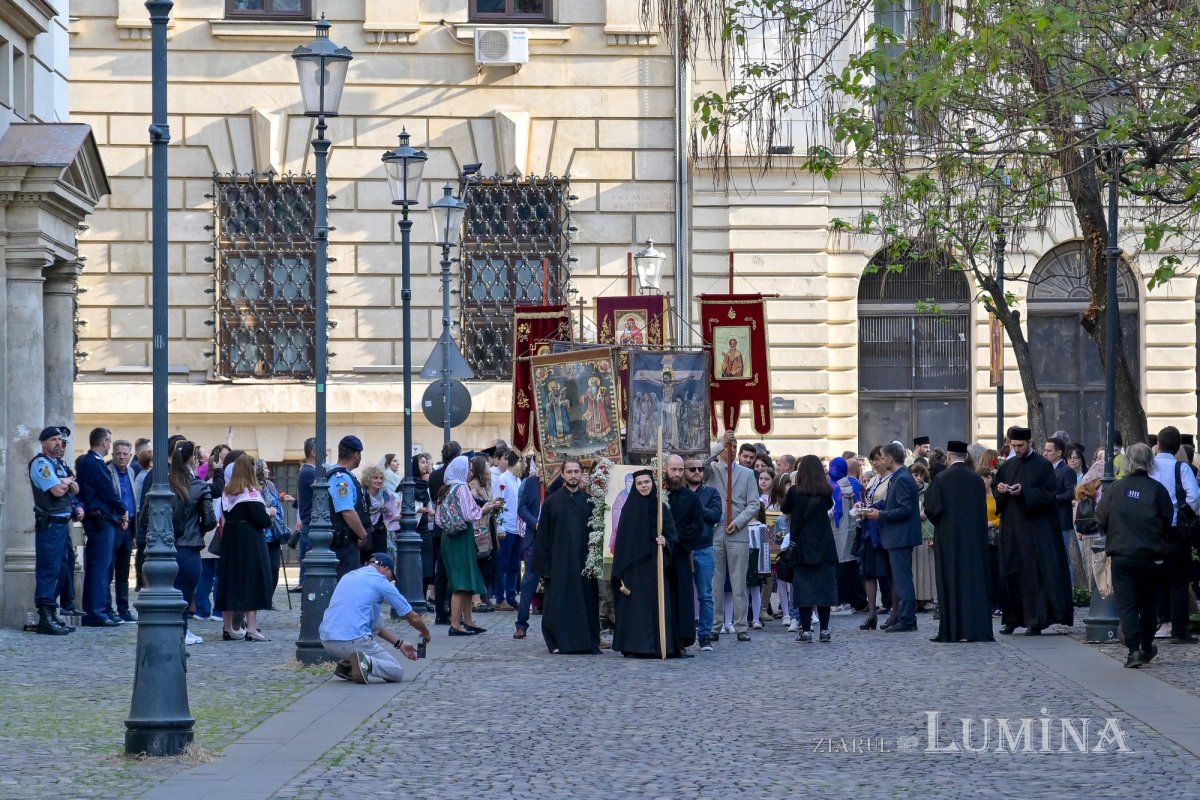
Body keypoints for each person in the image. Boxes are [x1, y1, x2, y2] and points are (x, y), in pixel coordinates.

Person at [1097, 444, 1173, 668]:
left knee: (1127, 605)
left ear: (1128, 461)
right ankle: (1147, 645)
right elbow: (1167, 519)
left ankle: (1133, 650)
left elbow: (1100, 518)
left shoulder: (1115, 489)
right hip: (1150, 555)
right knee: (1148, 603)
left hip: (1121, 554)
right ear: (1150, 462)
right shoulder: (1157, 490)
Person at [993, 426, 1074, 635]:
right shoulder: (1008, 465)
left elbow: (1049, 495)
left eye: (1020, 445)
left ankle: (1035, 621)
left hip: (1034, 531)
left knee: (1032, 575)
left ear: (1029, 443)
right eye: (1013, 445)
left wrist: (1025, 492)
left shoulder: (1043, 466)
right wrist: (1001, 490)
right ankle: (1011, 619)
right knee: (1010, 572)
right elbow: (996, 489)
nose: (1017, 449)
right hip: (1011, 529)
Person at [321, 554, 432, 683]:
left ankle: (348, 666)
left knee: (373, 621)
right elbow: (412, 617)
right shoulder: (381, 582)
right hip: (351, 641)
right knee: (396, 671)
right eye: (391, 577)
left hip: (327, 641)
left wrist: (399, 644)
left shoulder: (349, 576)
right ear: (386, 569)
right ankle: (365, 662)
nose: (390, 581)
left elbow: (376, 626)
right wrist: (425, 633)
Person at [924, 441, 995, 643]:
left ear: (948, 456)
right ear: (966, 456)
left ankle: (952, 630)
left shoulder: (942, 478)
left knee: (951, 582)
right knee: (974, 582)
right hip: (974, 541)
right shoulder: (975, 479)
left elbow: (931, 508)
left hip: (949, 540)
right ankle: (976, 629)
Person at [532, 459, 601, 655]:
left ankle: (587, 641)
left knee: (585, 603)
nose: (573, 475)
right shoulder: (552, 502)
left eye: (576, 471)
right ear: (562, 474)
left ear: (581, 474)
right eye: (569, 471)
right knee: (558, 604)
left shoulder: (589, 503)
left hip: (583, 564)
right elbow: (543, 536)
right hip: (559, 564)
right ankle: (557, 641)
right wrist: (544, 568)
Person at [611, 470, 678, 657]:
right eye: (639, 483)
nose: (644, 486)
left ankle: (657, 646)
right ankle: (635, 646)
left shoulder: (660, 508)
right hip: (634, 569)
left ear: (652, 483)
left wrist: (665, 542)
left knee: (655, 606)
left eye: (647, 482)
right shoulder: (628, 509)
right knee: (636, 608)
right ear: (635, 486)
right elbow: (623, 541)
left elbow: (672, 536)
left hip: (655, 565)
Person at [705, 430, 762, 642]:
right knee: (715, 582)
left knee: (739, 582)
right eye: (729, 446)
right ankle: (715, 625)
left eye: (734, 447)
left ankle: (740, 626)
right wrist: (720, 445)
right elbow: (700, 463)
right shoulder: (711, 470)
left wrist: (738, 522)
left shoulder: (747, 474)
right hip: (715, 529)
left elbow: (754, 504)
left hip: (737, 531)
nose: (732, 450)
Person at [1148, 426, 1200, 643]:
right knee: (1178, 582)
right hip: (1177, 531)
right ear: (1178, 446)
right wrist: (1183, 513)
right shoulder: (1182, 468)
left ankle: (1164, 623)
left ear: (1158, 444)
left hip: (1153, 530)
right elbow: (1194, 498)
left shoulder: (1149, 467)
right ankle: (1179, 630)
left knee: (1158, 580)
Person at [436, 455, 498, 636]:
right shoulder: (462, 487)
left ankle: (468, 621)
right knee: (462, 581)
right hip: (461, 536)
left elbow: (439, 519)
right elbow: (470, 514)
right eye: (468, 469)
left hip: (450, 536)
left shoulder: (447, 489)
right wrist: (485, 509)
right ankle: (456, 624)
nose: (471, 472)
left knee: (468, 578)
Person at [216, 454, 275, 642]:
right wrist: (269, 512)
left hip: (231, 540)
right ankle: (251, 627)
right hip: (250, 541)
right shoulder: (250, 492)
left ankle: (228, 628)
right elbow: (262, 520)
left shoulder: (227, 491)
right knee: (253, 580)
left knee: (229, 580)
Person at [863, 442, 921, 633]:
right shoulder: (899, 477)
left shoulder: (902, 478)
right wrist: (876, 509)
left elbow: (905, 509)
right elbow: (892, 504)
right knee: (900, 578)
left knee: (902, 579)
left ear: (889, 459)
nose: (880, 460)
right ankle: (905, 617)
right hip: (897, 536)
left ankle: (906, 619)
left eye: (882, 456)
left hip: (900, 536)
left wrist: (881, 515)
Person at [76, 427, 129, 628]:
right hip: (100, 520)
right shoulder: (93, 463)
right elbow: (107, 491)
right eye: (109, 442)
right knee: (100, 568)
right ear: (105, 442)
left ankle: (98, 610)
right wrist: (122, 509)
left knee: (102, 567)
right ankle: (96, 612)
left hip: (104, 520)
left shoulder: (92, 462)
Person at [29, 426, 80, 635]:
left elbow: (75, 487)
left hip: (62, 524)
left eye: (60, 439)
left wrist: (66, 481)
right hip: (49, 525)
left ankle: (53, 613)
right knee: (49, 570)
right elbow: (58, 490)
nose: (58, 443)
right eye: (53, 439)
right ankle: (45, 616)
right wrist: (66, 482)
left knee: (62, 570)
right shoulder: (41, 464)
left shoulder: (58, 464)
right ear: (43, 443)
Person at [781, 455, 836, 643]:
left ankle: (805, 631)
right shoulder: (826, 491)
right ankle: (825, 630)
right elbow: (828, 506)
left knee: (803, 589)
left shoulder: (795, 492)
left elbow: (784, 508)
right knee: (824, 589)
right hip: (824, 545)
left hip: (802, 544)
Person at [169, 441, 216, 646]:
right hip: (188, 547)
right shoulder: (199, 486)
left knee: (167, 595)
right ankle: (182, 633)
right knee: (185, 596)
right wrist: (199, 531)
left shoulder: (163, 483)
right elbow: (210, 520)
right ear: (194, 460)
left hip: (164, 548)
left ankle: (170, 633)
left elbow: (145, 518)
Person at [665, 455, 702, 653]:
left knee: (681, 596)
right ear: (665, 470)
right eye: (674, 470)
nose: (677, 474)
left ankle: (681, 639)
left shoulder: (691, 498)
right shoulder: (657, 496)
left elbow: (696, 526)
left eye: (680, 470)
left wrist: (674, 539)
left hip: (679, 554)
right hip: (658, 554)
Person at [684, 456, 722, 651]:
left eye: (700, 469)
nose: (697, 472)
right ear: (684, 472)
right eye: (692, 469)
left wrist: (694, 506)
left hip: (704, 548)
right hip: (683, 550)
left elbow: (715, 515)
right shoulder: (678, 493)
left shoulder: (711, 493)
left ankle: (705, 635)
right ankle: (682, 635)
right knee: (682, 593)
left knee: (706, 594)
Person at [857, 446, 892, 630]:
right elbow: (868, 502)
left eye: (878, 459)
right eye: (873, 460)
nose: (876, 463)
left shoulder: (891, 480)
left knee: (888, 574)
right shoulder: (873, 481)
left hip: (884, 531)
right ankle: (871, 613)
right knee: (869, 574)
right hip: (869, 531)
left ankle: (895, 612)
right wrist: (861, 506)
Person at [327, 435, 372, 578]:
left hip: (347, 540)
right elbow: (347, 511)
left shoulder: (346, 476)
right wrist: (362, 535)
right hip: (344, 542)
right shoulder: (341, 478)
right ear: (356, 455)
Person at [428, 441, 462, 625]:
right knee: (453, 570)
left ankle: (440, 611)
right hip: (453, 526)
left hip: (439, 526)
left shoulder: (434, 475)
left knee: (441, 571)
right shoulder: (454, 475)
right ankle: (452, 609)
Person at [106, 439, 139, 623]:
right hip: (114, 524)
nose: (121, 457)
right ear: (113, 454)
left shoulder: (132, 472)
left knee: (123, 572)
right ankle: (108, 607)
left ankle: (123, 608)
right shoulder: (107, 471)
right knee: (108, 569)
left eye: (125, 454)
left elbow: (133, 500)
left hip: (129, 527)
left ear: (130, 456)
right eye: (118, 453)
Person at [827, 456, 865, 613]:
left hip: (836, 529)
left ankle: (844, 600)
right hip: (852, 528)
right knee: (852, 565)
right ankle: (858, 600)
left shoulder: (830, 486)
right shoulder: (854, 484)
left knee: (840, 566)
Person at [1044, 436, 1079, 588]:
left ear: (1059, 453)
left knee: (1062, 557)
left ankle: (1067, 589)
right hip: (1046, 519)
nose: (1045, 453)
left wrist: (1052, 498)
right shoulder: (1045, 469)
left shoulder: (1067, 471)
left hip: (1061, 520)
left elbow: (1071, 493)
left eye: (1049, 451)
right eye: (1044, 450)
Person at [514, 457, 543, 639]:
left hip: (554, 539)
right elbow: (521, 508)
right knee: (529, 582)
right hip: (534, 537)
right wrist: (535, 524)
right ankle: (521, 624)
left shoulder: (559, 483)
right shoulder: (530, 483)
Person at [494, 450, 522, 610]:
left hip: (517, 527)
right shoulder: (502, 479)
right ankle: (499, 597)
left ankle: (511, 596)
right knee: (503, 564)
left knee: (514, 564)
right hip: (507, 527)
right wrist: (500, 526)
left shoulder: (517, 480)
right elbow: (499, 504)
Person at [909, 462, 937, 613]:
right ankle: (915, 599)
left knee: (927, 567)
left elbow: (929, 509)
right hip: (913, 532)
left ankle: (927, 598)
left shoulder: (928, 489)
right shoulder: (908, 489)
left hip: (927, 531)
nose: (918, 478)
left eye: (921, 475)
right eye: (915, 475)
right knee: (915, 567)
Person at [291, 437, 317, 592]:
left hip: (310, 523)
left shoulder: (309, 471)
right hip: (311, 524)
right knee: (310, 568)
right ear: (313, 452)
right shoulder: (308, 472)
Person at [360, 464, 400, 557]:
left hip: (380, 532)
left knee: (379, 560)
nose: (379, 481)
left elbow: (393, 513)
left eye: (381, 478)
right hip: (364, 532)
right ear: (368, 479)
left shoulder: (386, 494)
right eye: (375, 478)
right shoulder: (361, 494)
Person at [411, 453, 435, 602]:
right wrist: (424, 510)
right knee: (415, 563)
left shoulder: (424, 483)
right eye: (422, 462)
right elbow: (404, 505)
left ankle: (423, 598)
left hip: (425, 528)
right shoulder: (407, 483)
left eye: (426, 462)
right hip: (413, 528)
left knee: (427, 564)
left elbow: (429, 502)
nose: (426, 465)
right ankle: (416, 596)